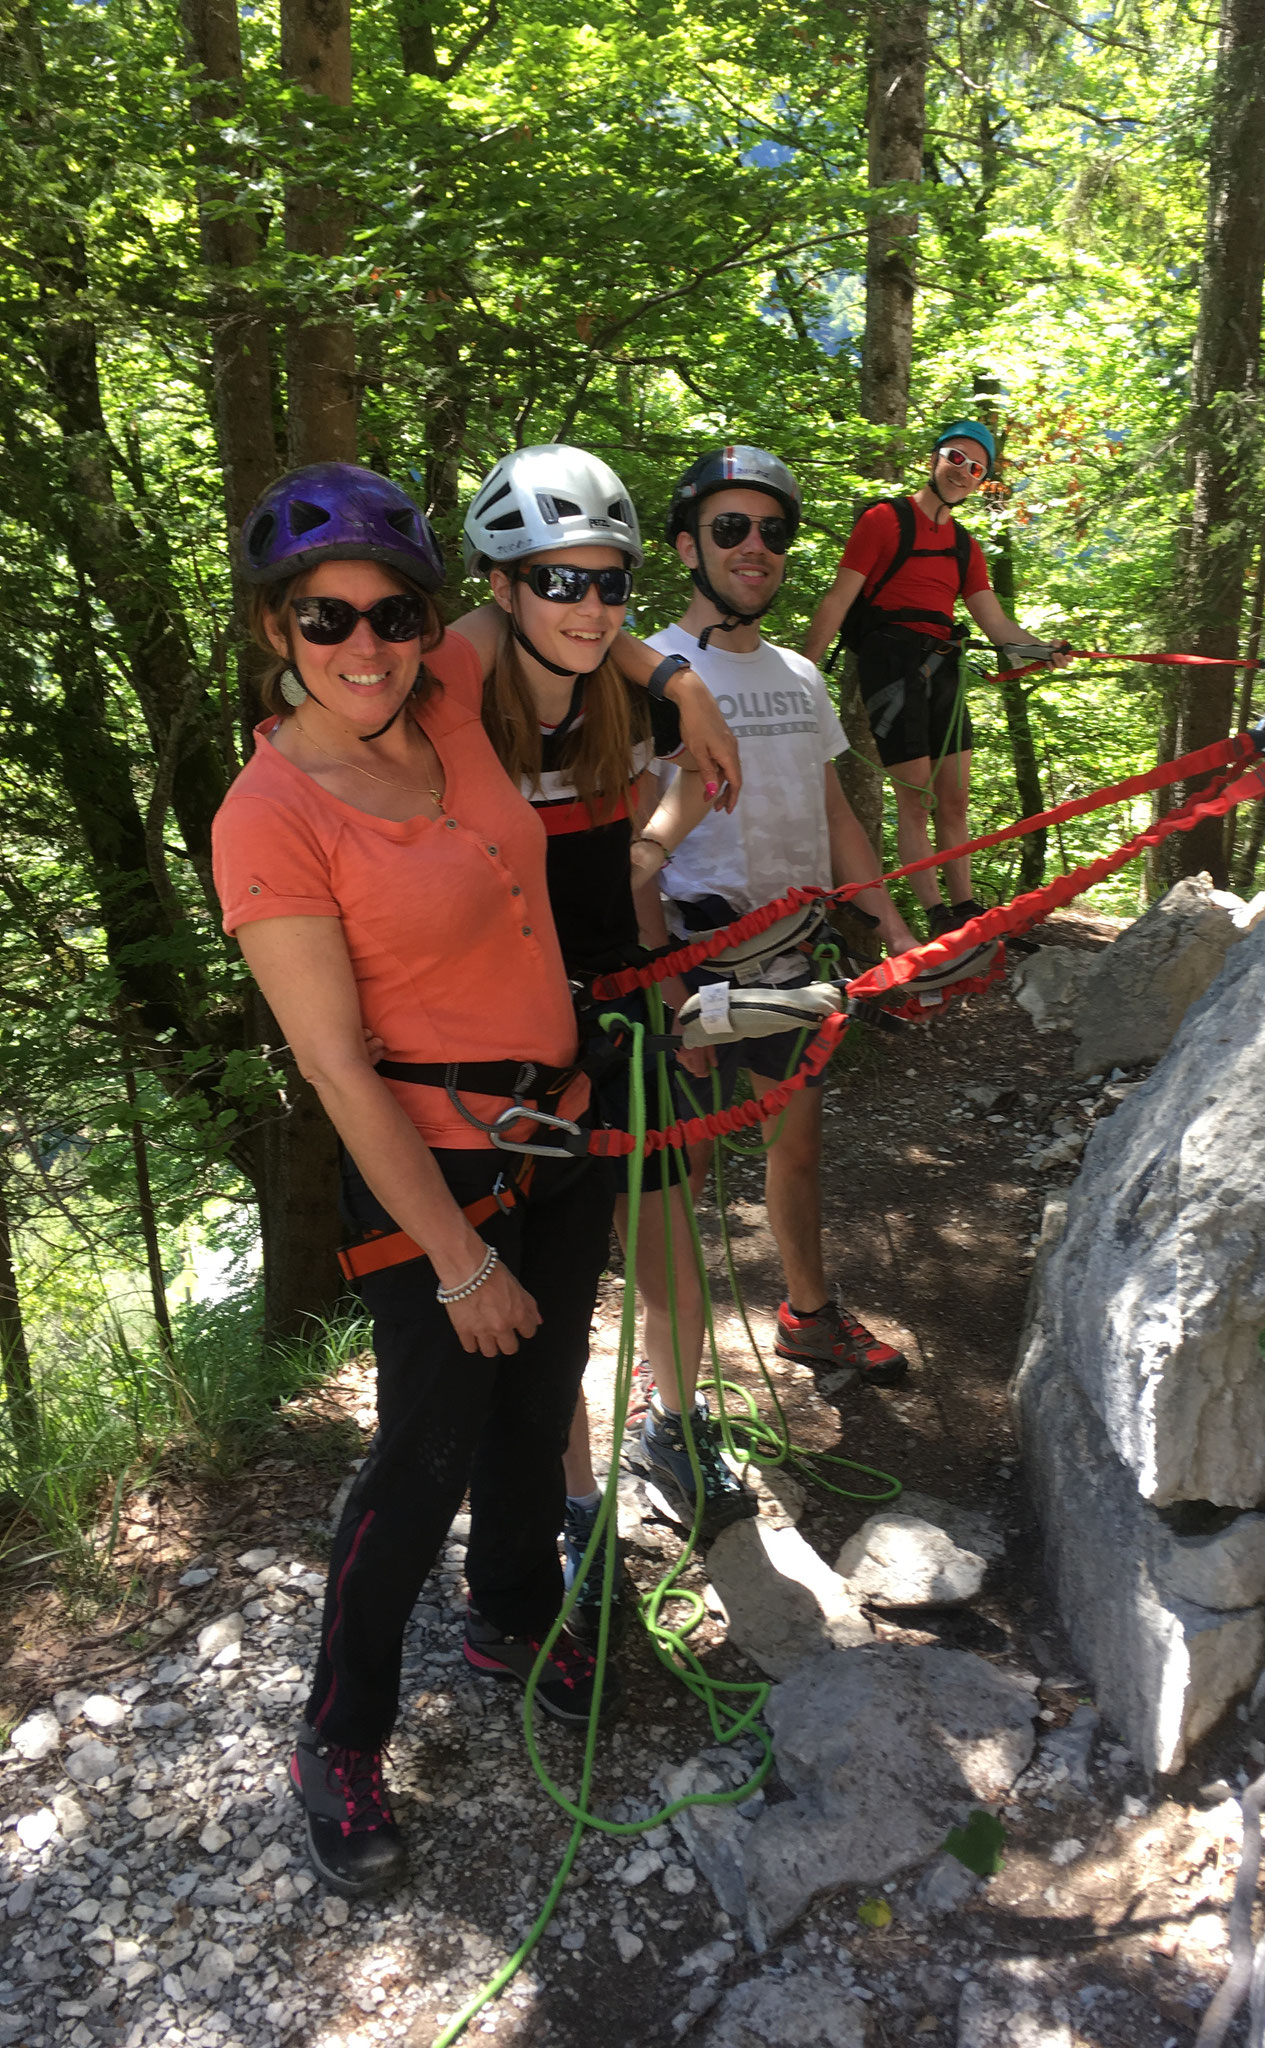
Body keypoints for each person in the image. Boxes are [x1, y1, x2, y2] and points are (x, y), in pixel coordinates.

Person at [212, 464, 733, 1899]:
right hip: (435, 1167)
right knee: (425, 1450)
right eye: (325, 620)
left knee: (538, 1389)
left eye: (389, 612)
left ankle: (511, 1613)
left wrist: (670, 678)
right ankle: (339, 1733)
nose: (363, 642)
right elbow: (335, 1069)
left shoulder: (438, 699)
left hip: (555, 1125)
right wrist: (454, 1256)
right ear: (277, 631)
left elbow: (564, 610)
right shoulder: (271, 818)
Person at [449, 444, 758, 1619]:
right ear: (505, 581)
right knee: (554, 1282)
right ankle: (575, 1493)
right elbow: (464, 643)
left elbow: (694, 777)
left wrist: (650, 845)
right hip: (513, 1022)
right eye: (559, 581)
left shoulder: (623, 689)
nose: (591, 606)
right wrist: (670, 670)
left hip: (619, 995)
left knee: (668, 1233)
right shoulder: (461, 691)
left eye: (610, 583)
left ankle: (676, 1428)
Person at [648, 444, 917, 1389]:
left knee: (794, 1147)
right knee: (672, 1178)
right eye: (730, 528)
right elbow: (620, 835)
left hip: (790, 953)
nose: (754, 546)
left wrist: (891, 923)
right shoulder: (648, 673)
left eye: (772, 530)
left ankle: (808, 1315)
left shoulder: (801, 676)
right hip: (683, 951)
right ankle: (667, 1371)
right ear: (688, 546)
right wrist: (660, 971)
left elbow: (834, 809)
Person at [802, 420, 1065, 937]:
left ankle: (964, 907)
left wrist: (1042, 649)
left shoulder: (966, 547)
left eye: (977, 468)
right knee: (915, 797)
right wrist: (802, 674)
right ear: (934, 459)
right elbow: (839, 599)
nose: (964, 472)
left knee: (955, 797)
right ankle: (936, 912)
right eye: (956, 458)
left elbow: (996, 624)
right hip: (891, 665)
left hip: (943, 664)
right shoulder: (884, 520)